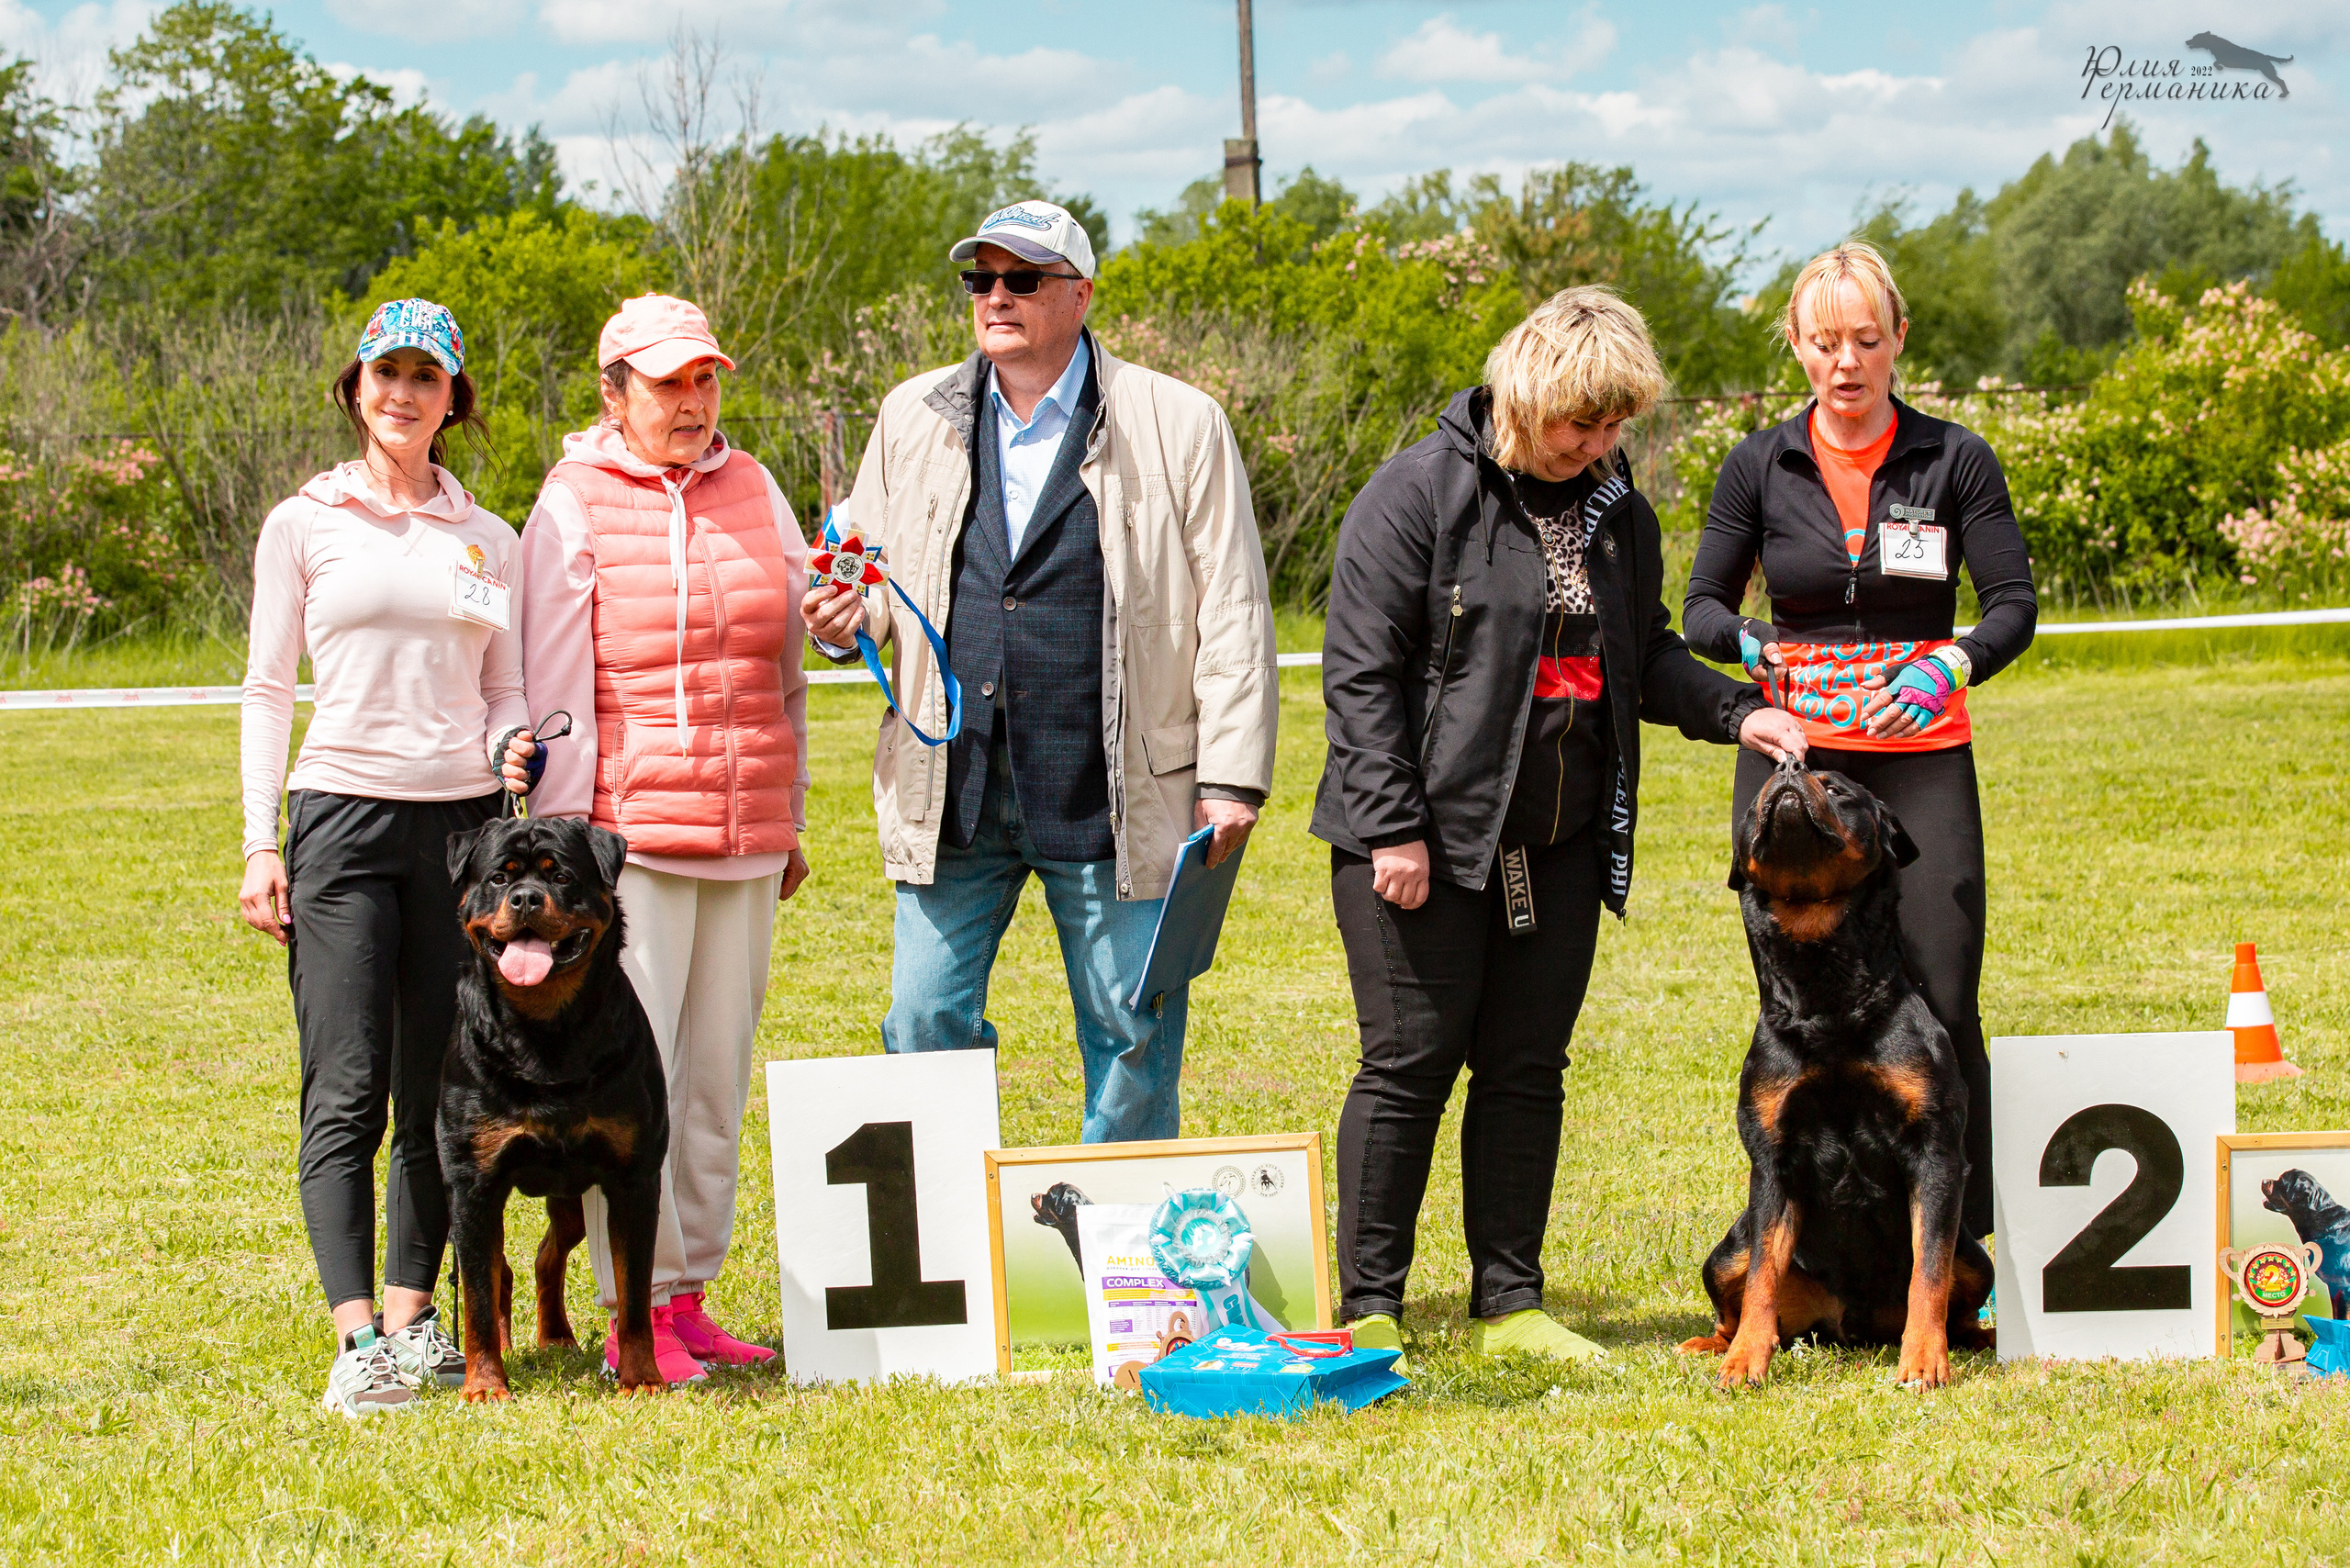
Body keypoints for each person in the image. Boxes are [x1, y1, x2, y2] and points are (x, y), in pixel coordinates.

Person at [1314, 286, 1810, 1368]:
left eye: (1615, 426)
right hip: (1419, 844)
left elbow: (1647, 656)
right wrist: (1392, 829)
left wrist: (1738, 709)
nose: (1596, 445)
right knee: (1409, 1062)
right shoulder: (1413, 497)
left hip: (1559, 848)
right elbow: (1358, 679)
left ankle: (1511, 1306)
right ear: (1526, 398)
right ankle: (1368, 1308)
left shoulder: (1618, 513)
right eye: (1579, 423)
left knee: (1528, 1066)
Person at [805, 200, 1277, 1143]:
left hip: (1113, 787)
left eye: (1021, 279)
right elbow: (865, 567)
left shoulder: (1181, 422)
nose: (996, 297)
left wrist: (1228, 777)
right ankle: (958, 1263)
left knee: (1129, 1031)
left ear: (1080, 295)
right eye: (981, 280)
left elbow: (1233, 605)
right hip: (954, 783)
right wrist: (838, 619)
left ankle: (1116, 1269)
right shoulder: (911, 414)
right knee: (922, 1021)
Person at [1682, 241, 2037, 1242]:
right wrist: (1755, 646)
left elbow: (2011, 605)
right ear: (1794, 345)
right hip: (1796, 759)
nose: (1847, 363)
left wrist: (1948, 666)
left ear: (1899, 342)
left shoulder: (1954, 456)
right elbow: (1701, 607)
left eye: (1867, 341)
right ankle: (1810, 1239)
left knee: (1942, 994)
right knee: (1800, 1014)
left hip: (1922, 756)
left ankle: (1969, 1248)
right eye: (1825, 342)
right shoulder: (1756, 462)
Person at [238, 298, 546, 1417]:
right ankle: (355, 1339)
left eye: (426, 376)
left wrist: (507, 741)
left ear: (452, 397)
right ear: (354, 388)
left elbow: (504, 686)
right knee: (349, 1086)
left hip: (459, 832)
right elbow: (270, 688)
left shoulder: (489, 535)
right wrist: (258, 841)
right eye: (385, 373)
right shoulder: (304, 522)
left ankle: (417, 1320)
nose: (403, 393)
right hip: (339, 824)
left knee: (440, 1090)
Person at [517, 293, 811, 1385]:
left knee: (713, 1082)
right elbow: (554, 688)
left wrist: (791, 811)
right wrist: (576, 858)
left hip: (744, 833)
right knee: (635, 1088)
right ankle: (627, 1312)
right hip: (629, 847)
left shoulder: (756, 486)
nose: (690, 403)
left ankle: (687, 1298)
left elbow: (785, 663)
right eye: (665, 383)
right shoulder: (570, 500)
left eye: (703, 380)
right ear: (614, 391)